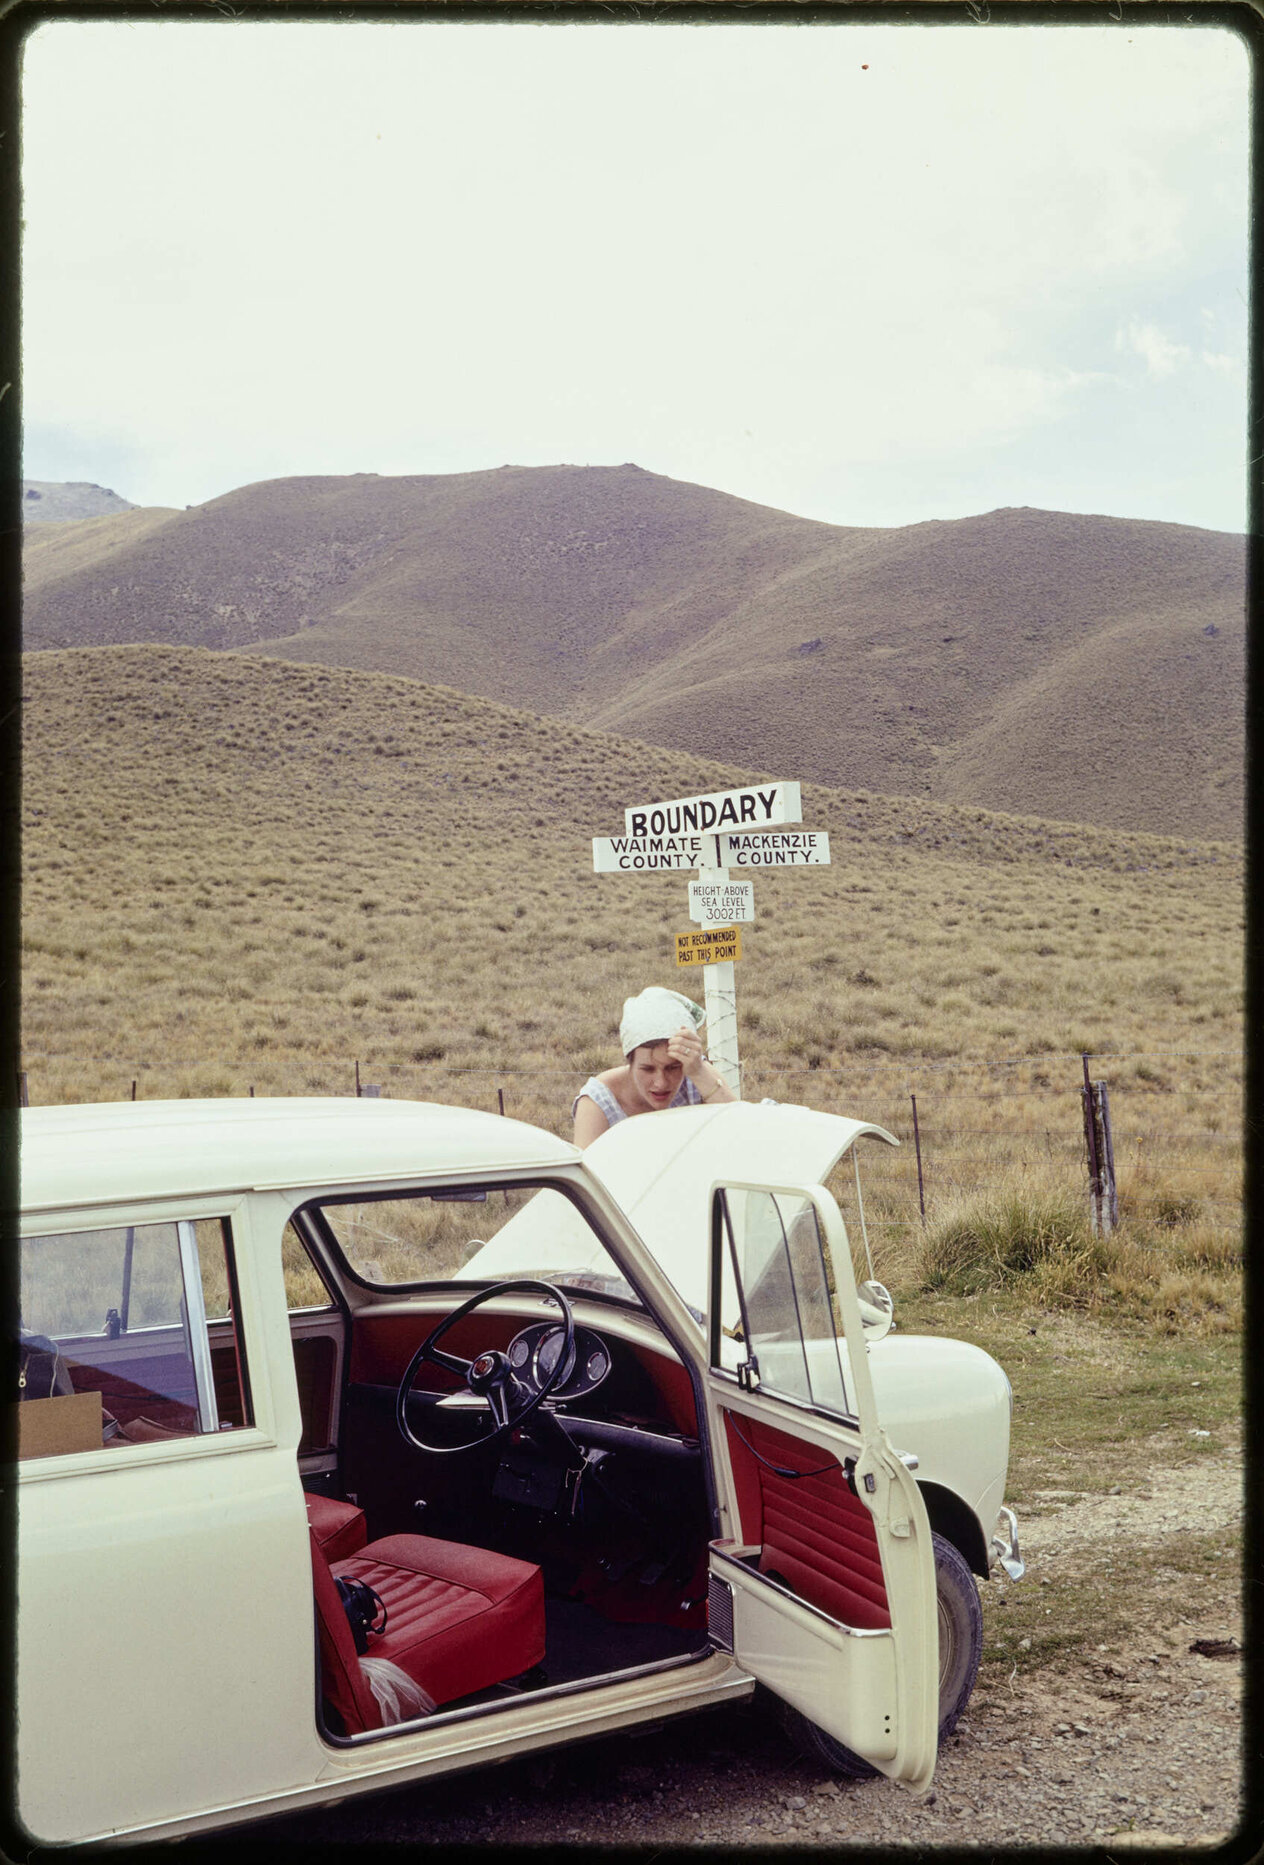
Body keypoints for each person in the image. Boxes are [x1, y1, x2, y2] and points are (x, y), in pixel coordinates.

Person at [572, 986, 736, 1147]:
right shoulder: (599, 1101)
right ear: (630, 1062)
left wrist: (699, 1072)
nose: (661, 1083)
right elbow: (586, 1164)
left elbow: (739, 1128)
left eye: (672, 1068)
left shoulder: (694, 1071)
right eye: (647, 1069)